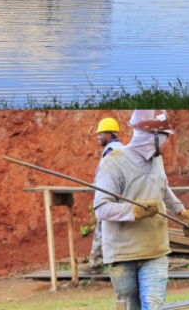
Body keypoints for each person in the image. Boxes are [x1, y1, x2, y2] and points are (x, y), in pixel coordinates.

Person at [94, 110, 189, 310]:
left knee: (153, 305)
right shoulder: (113, 163)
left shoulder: (156, 160)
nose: (166, 142)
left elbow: (163, 187)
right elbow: (101, 209)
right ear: (150, 136)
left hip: (155, 249)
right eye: (164, 137)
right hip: (122, 253)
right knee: (130, 307)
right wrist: (133, 211)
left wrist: (181, 212)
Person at [79, 117, 125, 273]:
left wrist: (102, 186)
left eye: (100, 134)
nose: (97, 137)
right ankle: (109, 262)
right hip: (118, 195)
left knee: (102, 226)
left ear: (109, 135)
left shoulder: (112, 151)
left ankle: (96, 263)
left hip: (112, 196)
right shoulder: (120, 149)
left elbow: (112, 173)